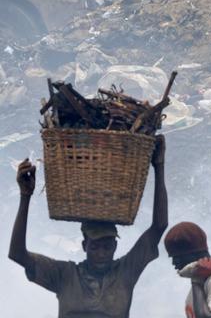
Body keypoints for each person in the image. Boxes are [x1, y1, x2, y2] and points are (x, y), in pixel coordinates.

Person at [8, 136, 168, 318]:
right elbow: (17, 254)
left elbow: (159, 226)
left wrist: (159, 166)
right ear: (84, 246)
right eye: (94, 247)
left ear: (115, 247)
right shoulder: (65, 275)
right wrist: (25, 196)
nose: (101, 254)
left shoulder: (126, 271)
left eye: (107, 247)